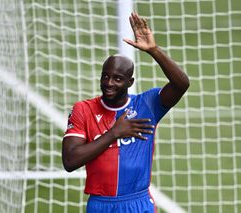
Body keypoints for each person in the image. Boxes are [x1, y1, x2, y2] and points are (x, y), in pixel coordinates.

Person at [62, 12, 189, 213]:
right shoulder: (83, 110)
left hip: (138, 203)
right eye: (105, 76)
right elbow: (70, 161)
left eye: (117, 79)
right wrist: (114, 133)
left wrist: (154, 50)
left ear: (130, 82)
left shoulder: (147, 105)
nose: (109, 83)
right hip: (100, 204)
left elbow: (182, 84)